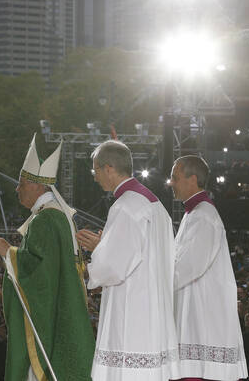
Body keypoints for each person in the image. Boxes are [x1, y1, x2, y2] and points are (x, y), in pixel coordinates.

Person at [0, 136, 94, 380]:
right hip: (63, 304)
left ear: (39, 186)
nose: (17, 189)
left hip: (50, 313)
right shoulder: (57, 215)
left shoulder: (45, 219)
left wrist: (9, 253)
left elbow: (40, 272)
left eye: (21, 184)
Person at [77, 139, 179, 381]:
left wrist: (98, 248)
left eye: (96, 170)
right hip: (154, 306)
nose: (95, 177)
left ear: (109, 168)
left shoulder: (125, 206)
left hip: (133, 309)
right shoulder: (153, 203)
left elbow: (113, 267)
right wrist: (106, 245)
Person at [169, 156, 247, 380]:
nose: (171, 183)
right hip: (193, 316)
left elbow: (185, 269)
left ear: (192, 179)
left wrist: (148, 278)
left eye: (175, 177)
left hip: (200, 321)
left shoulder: (203, 216)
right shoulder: (192, 214)